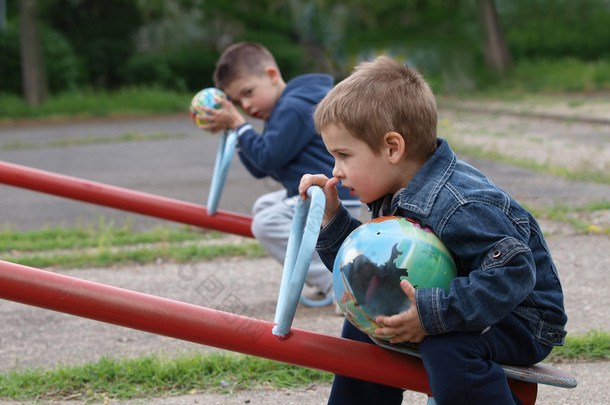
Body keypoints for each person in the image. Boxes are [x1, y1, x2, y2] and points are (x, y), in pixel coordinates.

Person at [298, 56, 568, 404]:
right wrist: (332, 218)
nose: (336, 171)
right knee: (367, 319)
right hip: (450, 300)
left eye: (344, 155)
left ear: (392, 148)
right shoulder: (394, 188)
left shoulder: (460, 203)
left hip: (517, 316)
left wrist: (431, 316)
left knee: (448, 345)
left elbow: (515, 273)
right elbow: (368, 267)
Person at [195, 41, 361, 301]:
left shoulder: (294, 107)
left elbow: (266, 156)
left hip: (334, 198)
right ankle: (322, 273)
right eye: (239, 101)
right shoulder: (284, 107)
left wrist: (240, 126)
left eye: (248, 92)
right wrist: (237, 132)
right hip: (320, 193)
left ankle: (339, 285)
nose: (246, 106)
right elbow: (261, 167)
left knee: (266, 222)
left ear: (272, 75)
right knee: (264, 205)